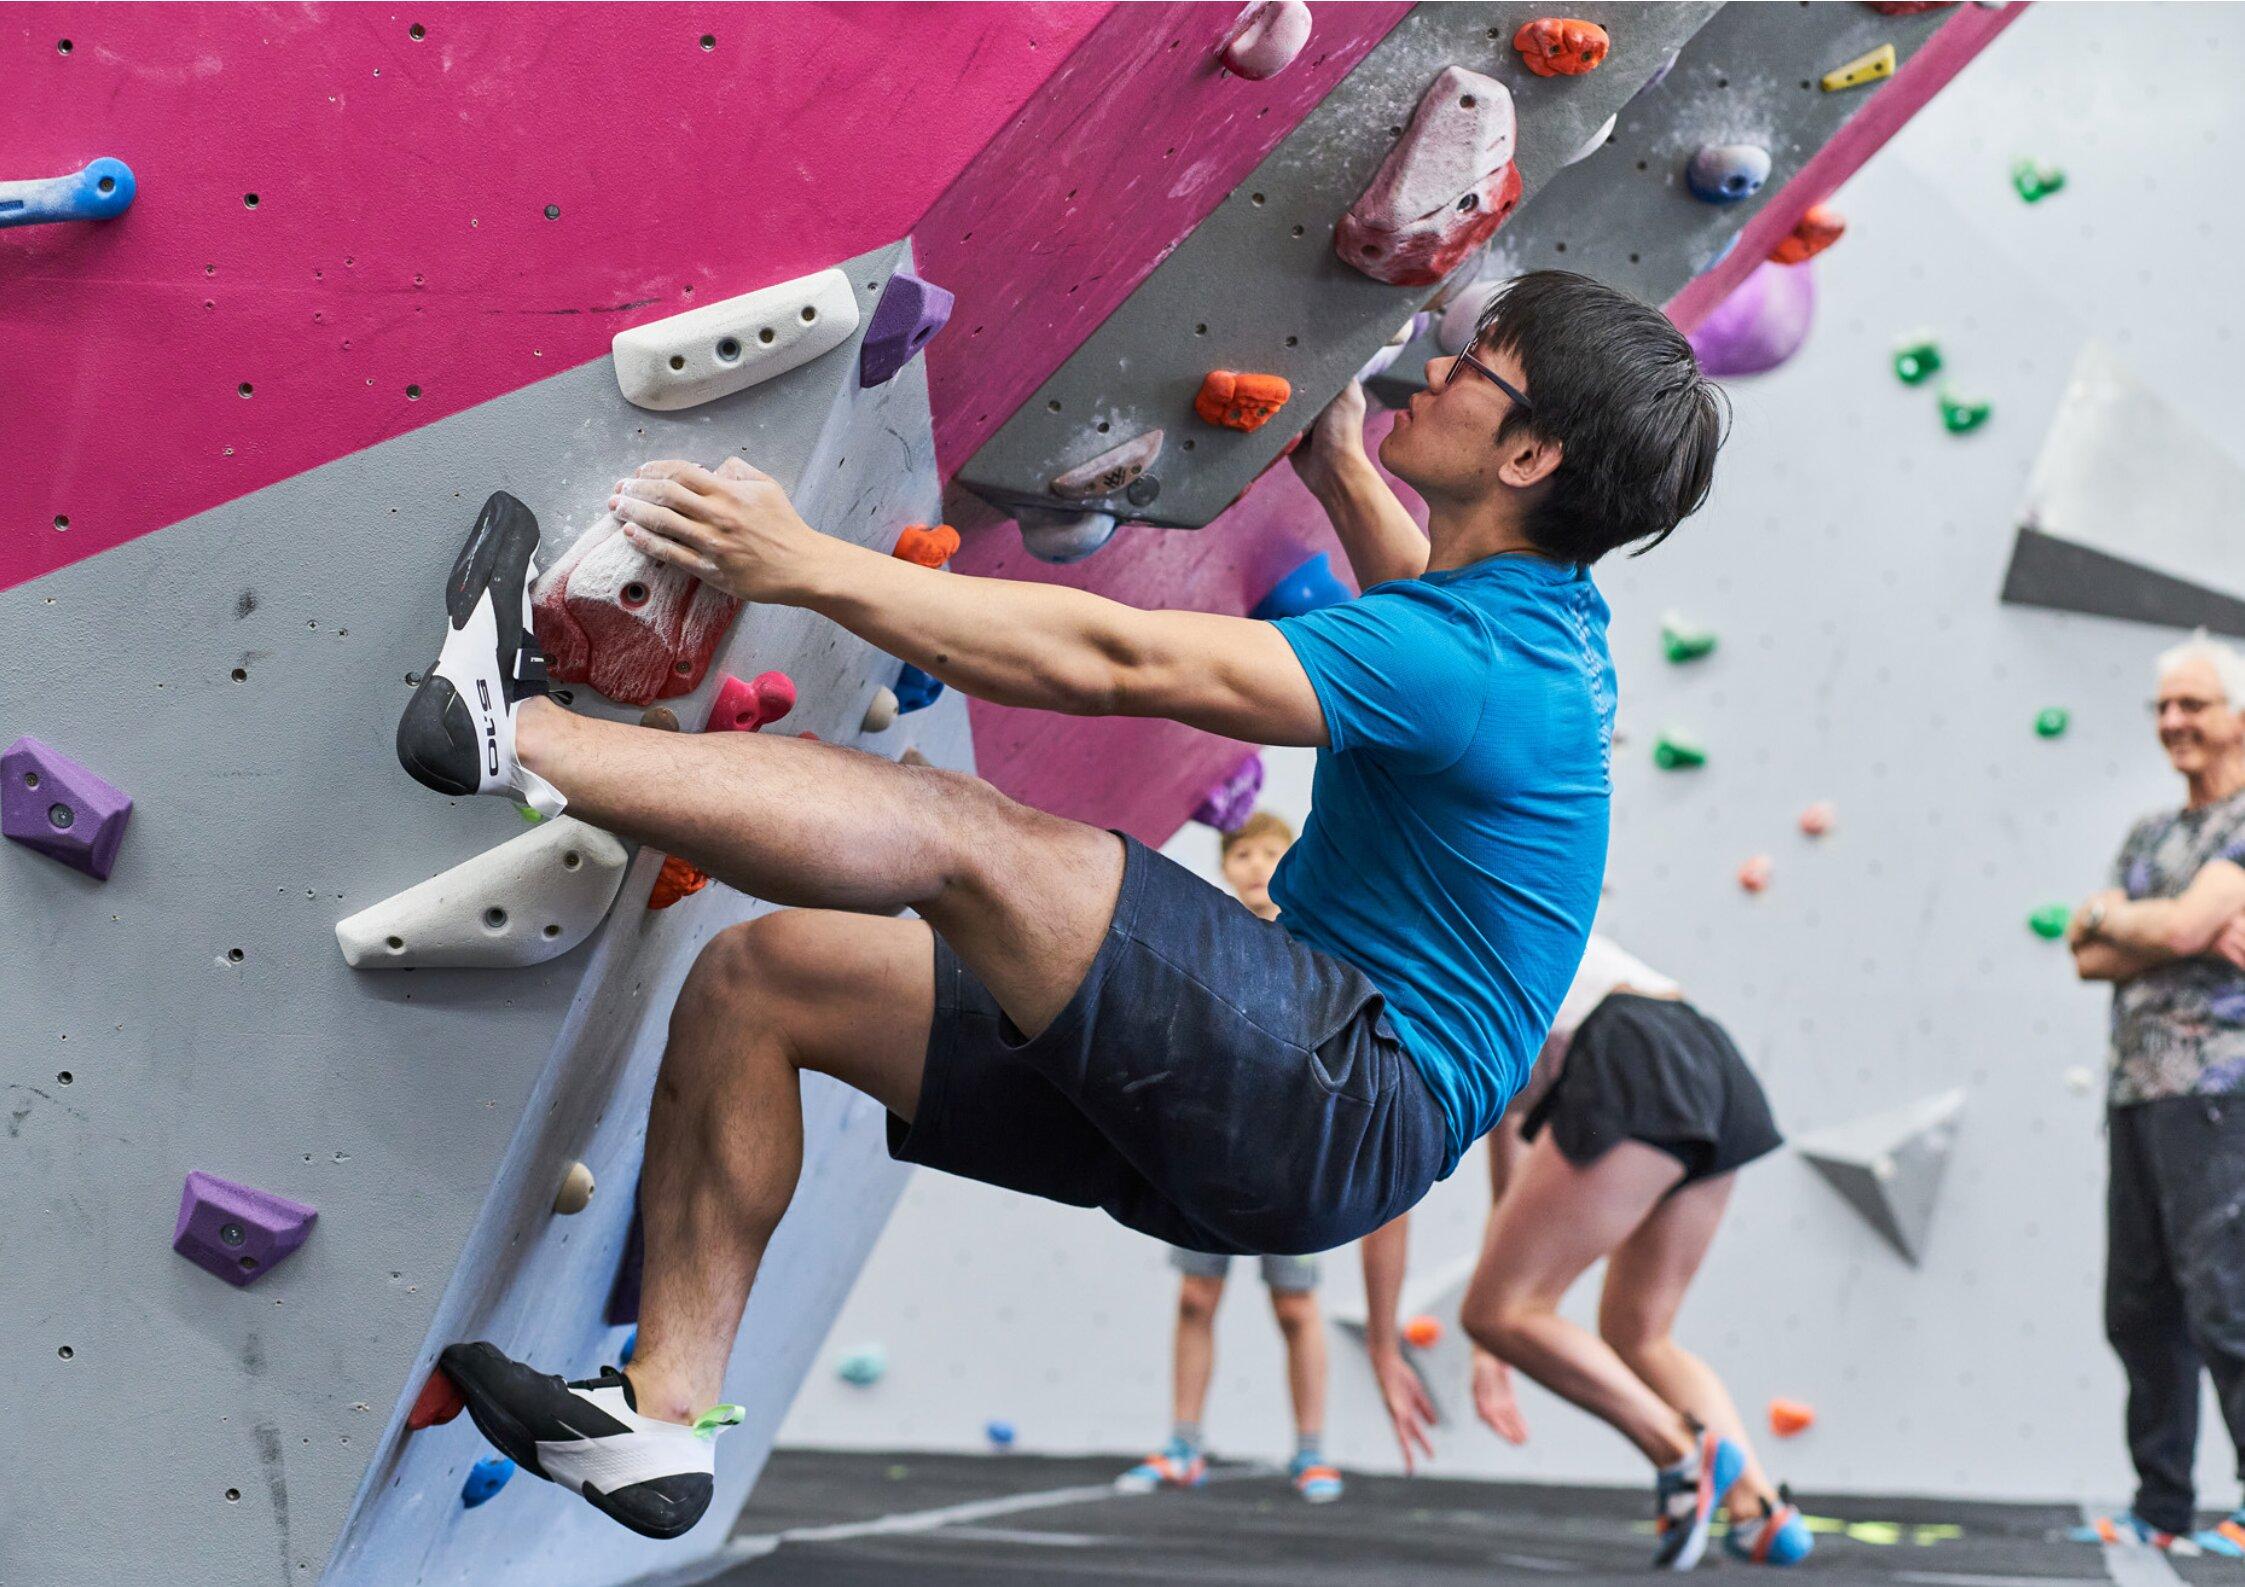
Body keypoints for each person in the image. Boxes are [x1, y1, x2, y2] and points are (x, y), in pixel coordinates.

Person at [403, 270, 1725, 1537]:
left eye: (1472, 371)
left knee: (962, 830)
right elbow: (1419, 613)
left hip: (1341, 1088)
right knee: (766, 980)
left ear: (1530, 457)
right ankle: (661, 1414)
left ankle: (509, 732)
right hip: (1313, 1132)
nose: (1430, 371)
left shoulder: (1478, 662)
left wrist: (799, 561)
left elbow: (1117, 654)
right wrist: (1336, 467)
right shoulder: (1527, 623)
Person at [1362, 934, 1807, 1571]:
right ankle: (1760, 1512)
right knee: (1640, 1332)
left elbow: (1389, 1192)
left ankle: (1682, 1450)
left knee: (1496, 1311)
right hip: (1710, 1055)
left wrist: (1388, 1346)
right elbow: (1508, 1171)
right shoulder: (1478, 925)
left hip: (1632, 1052)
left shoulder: (1389, 988)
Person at [2070, 632, 2245, 1553]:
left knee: (2226, 1297)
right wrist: (2140, 927)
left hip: (2220, 1094)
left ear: (2238, 719)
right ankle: (2162, 1507)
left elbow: (2169, 925)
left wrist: (2127, 920)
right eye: (2163, 707)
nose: (2173, 722)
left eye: (2194, 705)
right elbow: (2083, 950)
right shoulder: (2149, 833)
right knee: (2136, 1306)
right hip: (2136, 1092)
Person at [1117, 811, 1344, 1505]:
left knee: (1296, 1307)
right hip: (1209, 1143)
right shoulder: (1208, 933)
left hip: (1293, 1153)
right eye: (1241, 852)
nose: (1254, 864)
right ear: (1224, 865)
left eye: (1270, 852)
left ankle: (1311, 1453)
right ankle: (1183, 1444)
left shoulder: (1317, 943)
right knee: (1195, 1297)